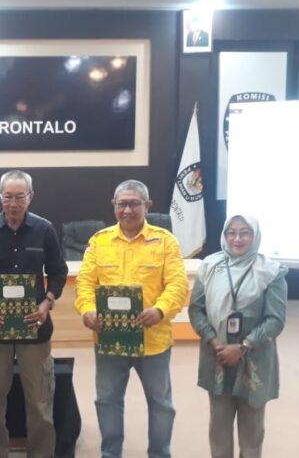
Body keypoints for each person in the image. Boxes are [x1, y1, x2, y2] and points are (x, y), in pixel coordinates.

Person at [75, 179, 188, 458]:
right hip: (110, 338)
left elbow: (177, 284)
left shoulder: (165, 241)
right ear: (113, 205)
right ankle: (110, 453)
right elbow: (85, 283)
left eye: (134, 204)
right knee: (107, 400)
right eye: (122, 204)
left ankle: (159, 454)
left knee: (161, 404)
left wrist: (160, 310)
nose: (127, 210)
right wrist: (87, 309)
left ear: (147, 205)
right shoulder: (99, 241)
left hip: (153, 339)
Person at [0, 170, 68, 458]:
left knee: (40, 402)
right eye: (8, 197)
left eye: (19, 197)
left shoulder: (44, 229)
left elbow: (58, 271)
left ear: (31, 197)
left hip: (35, 328)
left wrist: (47, 301)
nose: (13, 203)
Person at [188, 215, 287, 458]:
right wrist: (215, 342)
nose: (237, 239)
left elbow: (275, 320)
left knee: (252, 431)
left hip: (254, 359)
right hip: (218, 357)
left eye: (245, 233)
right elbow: (196, 310)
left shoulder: (271, 271)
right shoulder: (210, 266)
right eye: (231, 232)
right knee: (219, 427)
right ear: (224, 235)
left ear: (255, 236)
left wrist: (242, 347)